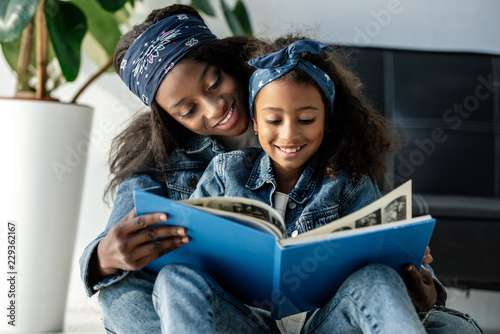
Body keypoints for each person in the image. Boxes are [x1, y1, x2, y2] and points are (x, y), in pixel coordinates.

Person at [151, 37, 484, 333]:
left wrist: (421, 284)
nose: (289, 135)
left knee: (377, 278)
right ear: (254, 120)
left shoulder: (347, 184)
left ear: (326, 123)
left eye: (307, 120)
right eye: (273, 120)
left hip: (325, 324)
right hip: (245, 322)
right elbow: (186, 254)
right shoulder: (226, 173)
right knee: (174, 277)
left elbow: (417, 284)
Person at [79, 5, 262, 333]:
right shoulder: (165, 161)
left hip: (302, 313)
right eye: (189, 109)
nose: (216, 107)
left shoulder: (290, 102)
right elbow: (115, 237)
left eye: (214, 81)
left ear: (225, 60)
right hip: (215, 312)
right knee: (122, 294)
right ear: (169, 118)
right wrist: (104, 258)